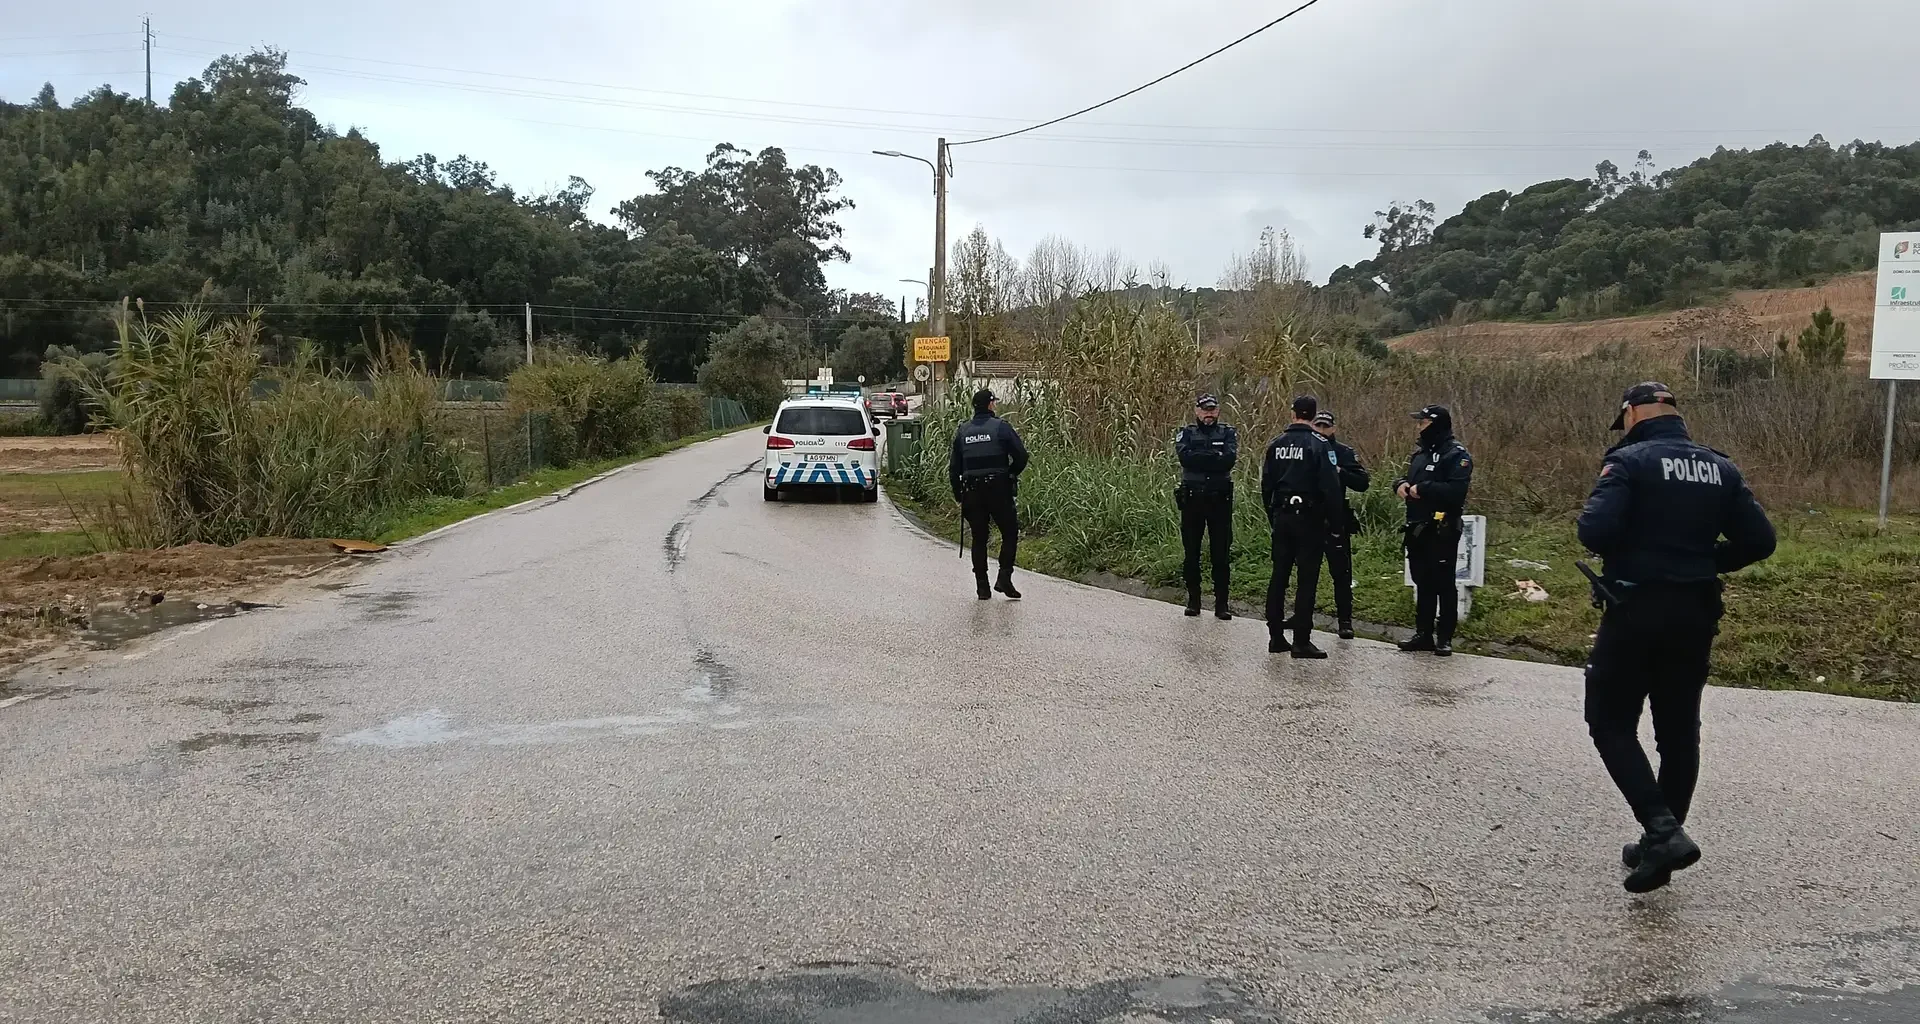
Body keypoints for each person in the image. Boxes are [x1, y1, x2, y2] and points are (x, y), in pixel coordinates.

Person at [1576, 381, 1775, 893]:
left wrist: (1641, 554)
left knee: (1609, 720)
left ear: (1632, 413)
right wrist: (1703, 561)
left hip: (1637, 608)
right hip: (1695, 613)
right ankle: (1657, 852)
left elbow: (1594, 532)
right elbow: (1760, 540)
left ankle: (1663, 830)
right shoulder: (1720, 467)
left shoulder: (1630, 462)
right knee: (1678, 732)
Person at [1260, 395, 1345, 659]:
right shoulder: (1320, 445)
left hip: (1282, 517)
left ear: (1293, 413)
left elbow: (1266, 486)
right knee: (1306, 580)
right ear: (1313, 415)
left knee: (1279, 576)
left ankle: (1275, 636)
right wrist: (1335, 524)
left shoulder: (1276, 444)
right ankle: (1301, 641)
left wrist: (1272, 515)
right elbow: (1331, 488)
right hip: (1309, 518)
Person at [1393, 404, 1473, 657]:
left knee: (1443, 583)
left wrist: (1424, 488)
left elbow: (1455, 491)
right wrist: (1401, 485)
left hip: (1442, 528)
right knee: (1422, 582)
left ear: (1436, 424)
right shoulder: (1421, 454)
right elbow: (1408, 480)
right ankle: (1423, 633)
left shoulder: (1456, 455)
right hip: (1417, 527)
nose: (1419, 427)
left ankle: (1445, 638)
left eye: (1423, 422)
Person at [949, 388, 1030, 601]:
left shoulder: (963, 431)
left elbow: (954, 467)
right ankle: (1004, 578)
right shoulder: (1001, 428)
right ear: (990, 405)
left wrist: (958, 495)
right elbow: (1021, 455)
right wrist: (1010, 474)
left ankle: (982, 587)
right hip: (998, 489)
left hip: (972, 491)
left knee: (979, 538)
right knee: (1010, 533)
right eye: (994, 402)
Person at [1173, 395, 1239, 620]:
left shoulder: (1227, 433)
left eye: (1212, 409)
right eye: (1204, 410)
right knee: (1192, 552)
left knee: (1221, 553)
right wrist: (1213, 456)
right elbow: (1185, 458)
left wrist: (1201, 456)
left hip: (1219, 500)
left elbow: (1228, 460)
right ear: (1197, 411)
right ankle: (1194, 600)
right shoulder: (1187, 433)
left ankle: (1222, 604)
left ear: (1218, 411)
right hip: (1193, 500)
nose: (1208, 413)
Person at [1311, 410, 1370, 640]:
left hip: (1336, 518)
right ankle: (1301, 615)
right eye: (1318, 426)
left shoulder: (1344, 452)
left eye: (1326, 426)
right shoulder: (1308, 449)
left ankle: (1345, 621)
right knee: (1307, 572)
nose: (1322, 431)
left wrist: (1338, 471)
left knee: (1342, 574)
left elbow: (1362, 482)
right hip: (1310, 517)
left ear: (1333, 428)